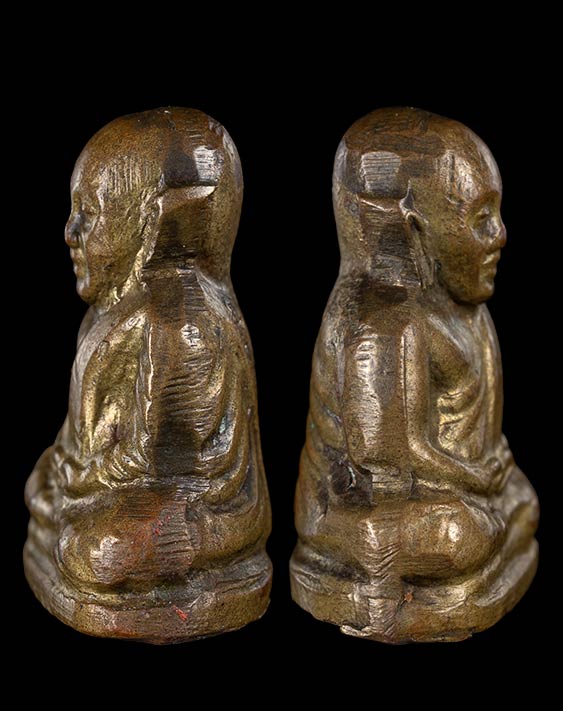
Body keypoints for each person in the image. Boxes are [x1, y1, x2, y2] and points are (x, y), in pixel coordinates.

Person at [291, 108, 538, 642]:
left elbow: (470, 436)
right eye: (479, 219)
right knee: (460, 534)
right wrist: (475, 479)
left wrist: (489, 469)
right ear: (413, 226)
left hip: (451, 492)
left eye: (496, 214)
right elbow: (387, 457)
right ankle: (377, 561)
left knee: (520, 503)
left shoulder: (467, 312)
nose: (499, 235)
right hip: (364, 507)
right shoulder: (383, 324)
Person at [24, 108, 271, 642]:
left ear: (153, 222)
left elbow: (152, 465)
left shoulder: (177, 322)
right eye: (73, 211)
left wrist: (76, 480)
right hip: (115, 491)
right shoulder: (109, 313)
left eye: (90, 213)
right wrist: (67, 469)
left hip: (197, 512)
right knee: (44, 489)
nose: (70, 231)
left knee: (99, 551)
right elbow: (82, 439)